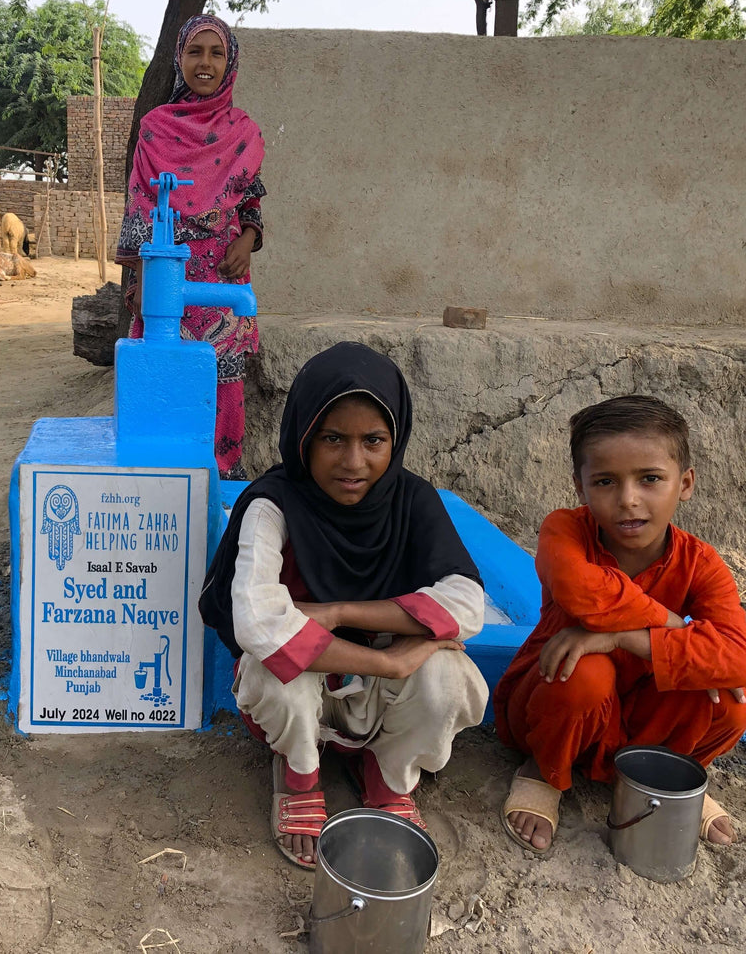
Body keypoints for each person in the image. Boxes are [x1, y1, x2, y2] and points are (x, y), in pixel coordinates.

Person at [199, 342, 489, 868]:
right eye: (333, 439)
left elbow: (467, 603)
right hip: (307, 686)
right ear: (304, 436)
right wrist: (386, 659)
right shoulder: (273, 504)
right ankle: (300, 775)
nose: (354, 463)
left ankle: (387, 774)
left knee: (451, 675)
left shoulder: (413, 501)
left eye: (374, 441)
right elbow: (259, 622)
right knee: (270, 668)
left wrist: (338, 613)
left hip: (378, 692)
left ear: (395, 439)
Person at [494, 395, 746, 853]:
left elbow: (739, 657)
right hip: (554, 702)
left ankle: (669, 770)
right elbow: (580, 592)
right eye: (606, 481)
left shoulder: (701, 563)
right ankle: (542, 770)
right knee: (583, 670)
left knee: (730, 704)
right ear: (580, 487)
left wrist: (621, 636)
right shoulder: (564, 531)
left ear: (685, 483)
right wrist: (674, 628)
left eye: (650, 479)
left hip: (644, 713)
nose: (628, 500)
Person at [116, 14, 266, 480]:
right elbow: (142, 203)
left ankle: (220, 487)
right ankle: (163, 484)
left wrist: (248, 239)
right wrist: (142, 279)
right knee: (162, 378)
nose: (205, 63)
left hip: (222, 275)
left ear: (230, 63)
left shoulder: (243, 131)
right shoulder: (155, 128)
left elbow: (251, 200)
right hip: (165, 272)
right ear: (179, 59)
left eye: (216, 53)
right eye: (195, 52)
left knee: (222, 386)